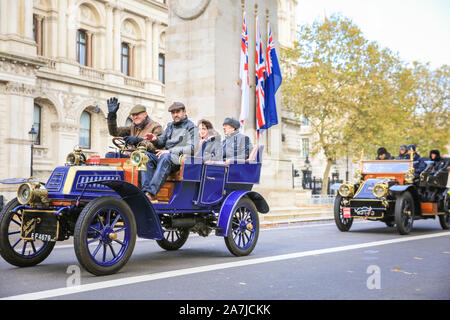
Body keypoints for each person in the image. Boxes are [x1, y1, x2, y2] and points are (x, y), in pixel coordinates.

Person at [143, 102, 199, 202]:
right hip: (167, 157)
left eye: (177, 112)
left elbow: (192, 148)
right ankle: (146, 192)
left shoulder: (191, 127)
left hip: (179, 159)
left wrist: (170, 151)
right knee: (146, 156)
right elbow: (161, 142)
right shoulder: (170, 126)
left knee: (165, 157)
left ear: (184, 112)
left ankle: (151, 193)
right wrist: (155, 139)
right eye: (173, 113)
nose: (175, 115)